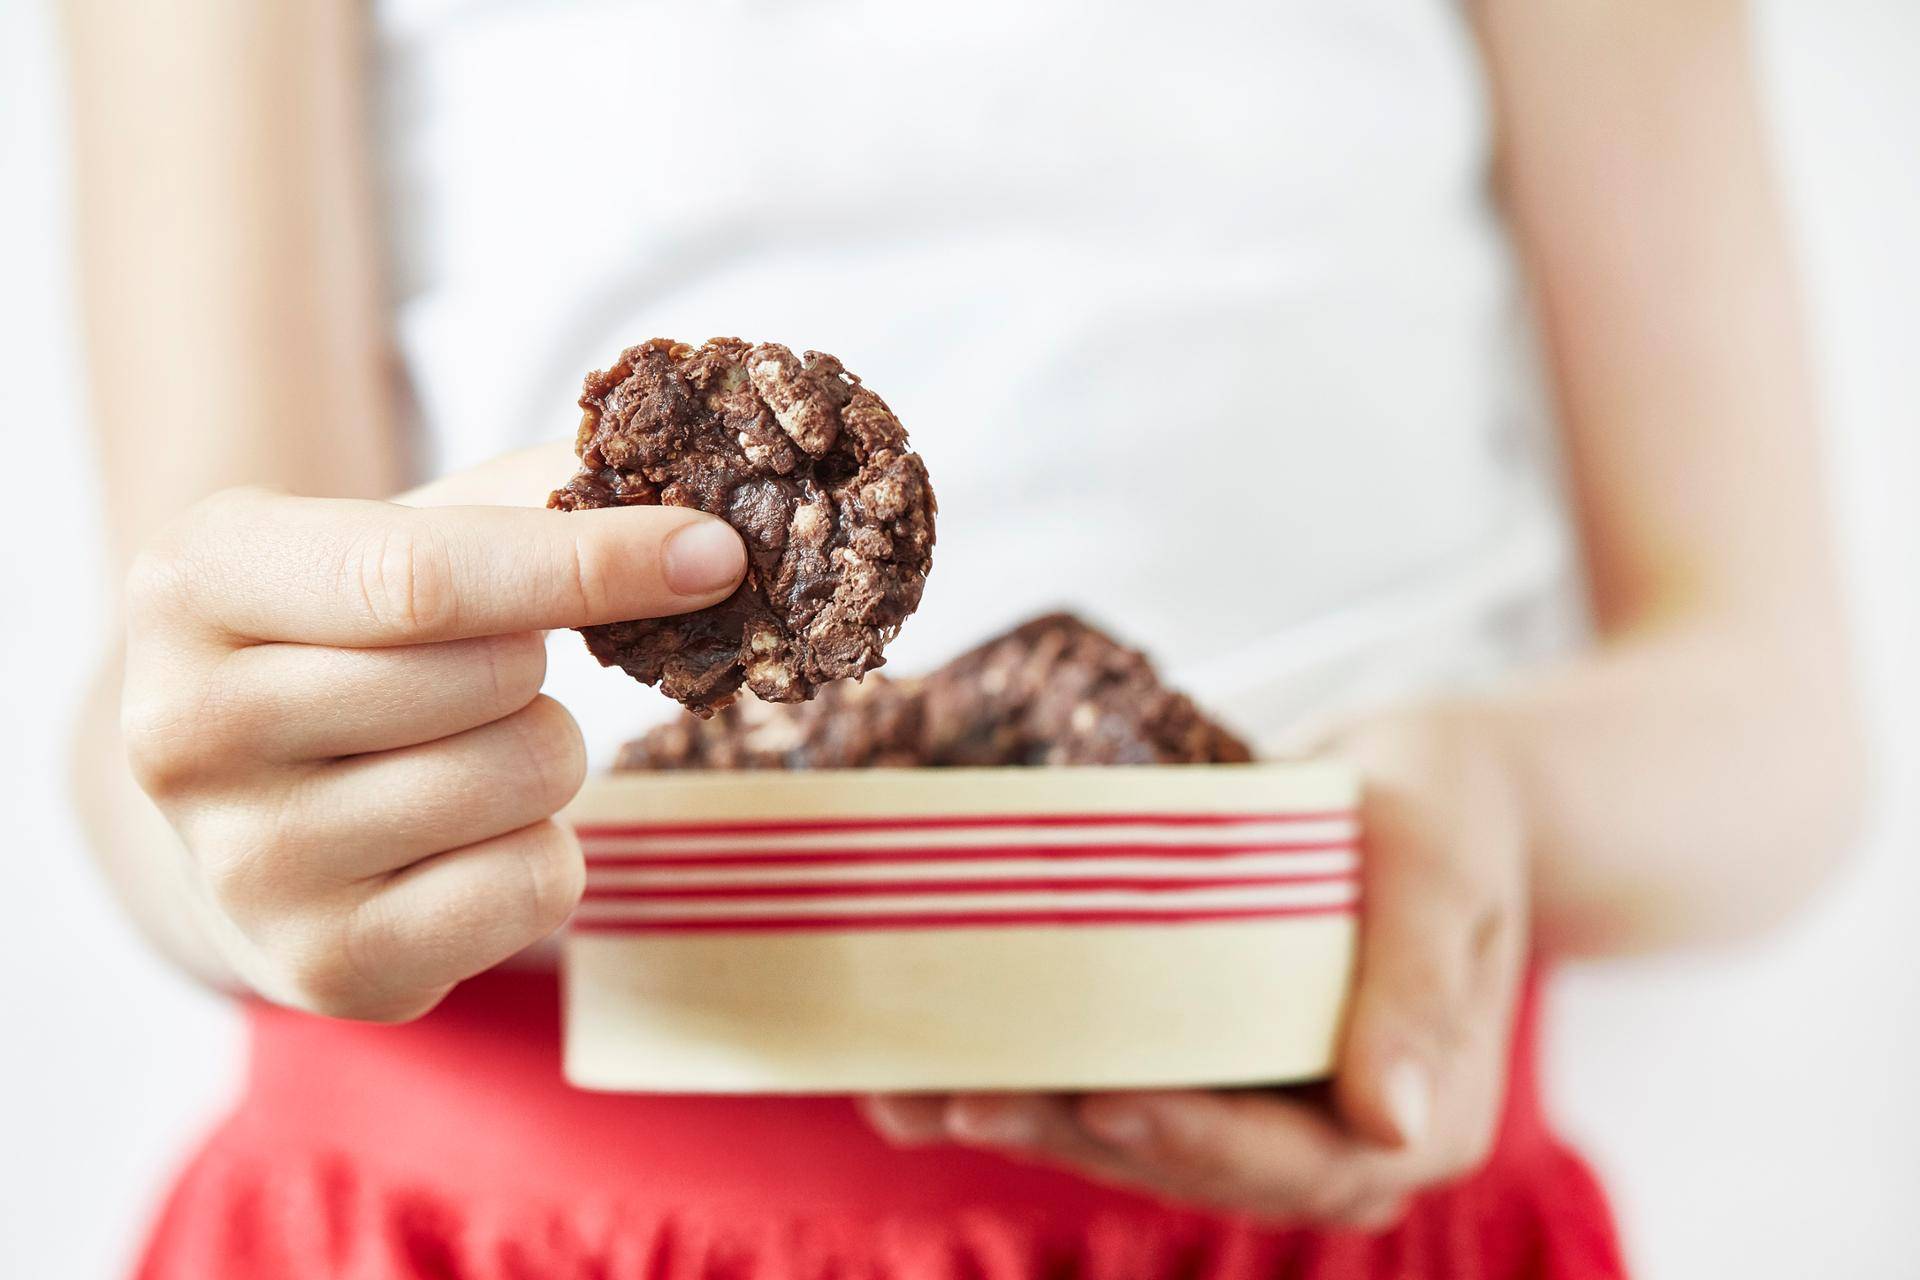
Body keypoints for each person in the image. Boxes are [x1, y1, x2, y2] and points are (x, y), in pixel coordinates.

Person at [65, 1, 1862, 1276]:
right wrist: (243, 842)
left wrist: (1490, 806)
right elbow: (189, 684)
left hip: (1330, 1191)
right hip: (465, 1209)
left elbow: (1775, 714)